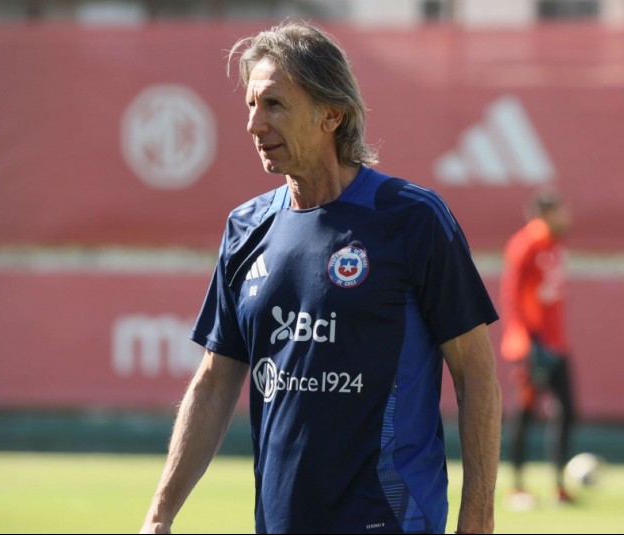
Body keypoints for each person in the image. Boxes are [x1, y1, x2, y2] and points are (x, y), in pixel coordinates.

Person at [139, 21, 501, 535]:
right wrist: (160, 513)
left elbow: (477, 374)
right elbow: (216, 381)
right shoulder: (246, 229)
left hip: (393, 521)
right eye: (250, 105)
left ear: (331, 113)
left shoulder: (412, 219)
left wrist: (478, 519)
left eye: (274, 105)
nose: (253, 124)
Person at [499, 191, 575, 508]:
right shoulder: (525, 245)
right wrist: (523, 340)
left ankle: (559, 486)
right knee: (525, 414)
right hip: (533, 344)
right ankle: (516, 487)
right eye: (559, 212)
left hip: (557, 343)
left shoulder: (556, 246)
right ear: (544, 214)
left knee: (567, 411)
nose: (565, 218)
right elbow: (512, 295)